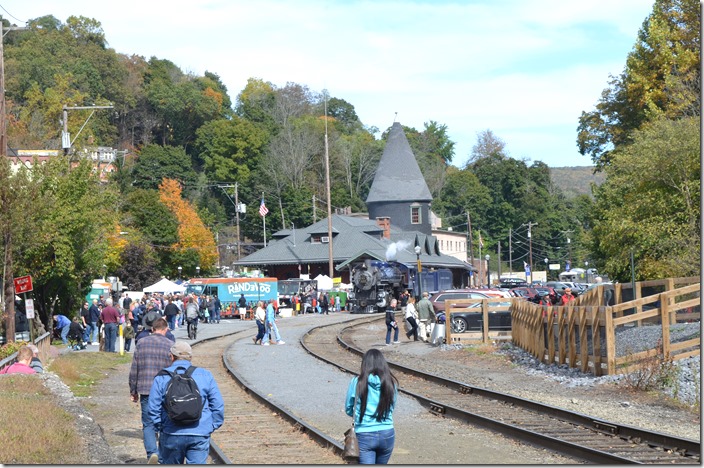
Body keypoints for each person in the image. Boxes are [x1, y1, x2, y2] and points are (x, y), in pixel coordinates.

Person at [148, 341, 225, 464]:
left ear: (171, 356)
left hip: (171, 432)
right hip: (199, 431)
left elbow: (153, 407)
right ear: (190, 357)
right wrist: (211, 425)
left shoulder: (161, 377)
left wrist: (161, 427)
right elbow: (218, 405)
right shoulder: (205, 375)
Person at [129, 317, 174, 464]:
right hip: (166, 390)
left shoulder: (141, 343)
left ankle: (152, 454)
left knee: (148, 424)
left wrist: (133, 390)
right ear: (165, 329)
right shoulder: (170, 345)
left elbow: (134, 368)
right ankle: (163, 455)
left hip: (146, 389)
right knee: (165, 422)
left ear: (152, 329)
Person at [345, 349, 398, 464]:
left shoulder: (357, 382)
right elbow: (391, 407)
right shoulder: (391, 383)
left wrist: (359, 415)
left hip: (364, 434)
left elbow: (349, 408)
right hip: (387, 433)